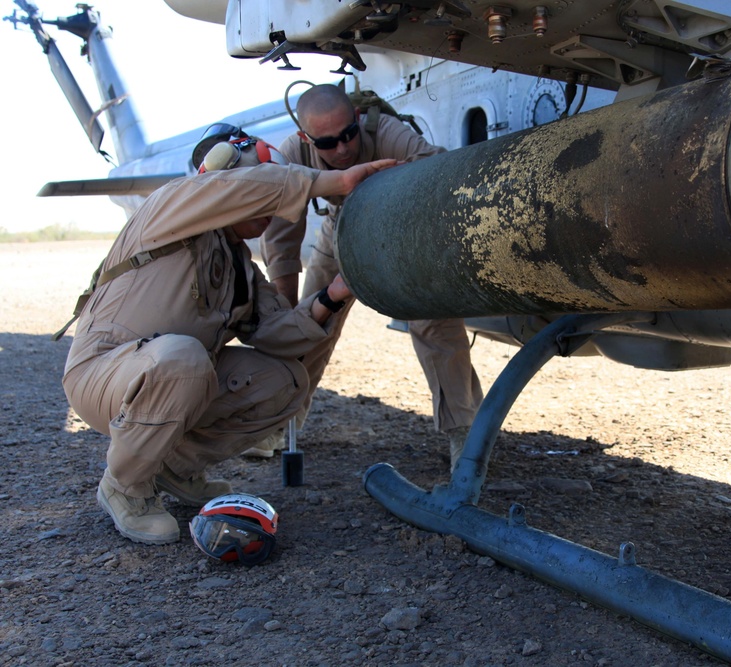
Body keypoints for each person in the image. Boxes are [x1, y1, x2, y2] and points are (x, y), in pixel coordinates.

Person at [61, 136, 397, 545]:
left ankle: (171, 468)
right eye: (258, 182)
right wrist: (333, 181)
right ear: (220, 178)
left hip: (171, 376)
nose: (272, 211)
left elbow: (277, 335)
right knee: (184, 358)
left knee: (285, 380)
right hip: (104, 375)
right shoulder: (170, 207)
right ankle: (124, 485)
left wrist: (333, 295)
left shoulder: (239, 266)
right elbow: (235, 189)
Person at [260, 83, 483, 469]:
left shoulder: (389, 133)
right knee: (310, 321)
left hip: (401, 230)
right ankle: (280, 423)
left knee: (434, 324)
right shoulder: (293, 155)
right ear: (305, 138)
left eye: (349, 135)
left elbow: (439, 174)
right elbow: (282, 241)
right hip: (341, 229)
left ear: (358, 120)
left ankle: (466, 433)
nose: (343, 149)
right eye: (328, 143)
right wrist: (286, 318)